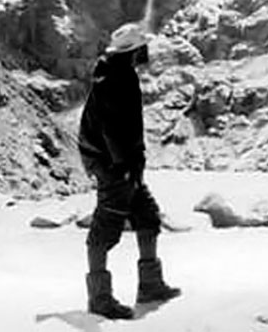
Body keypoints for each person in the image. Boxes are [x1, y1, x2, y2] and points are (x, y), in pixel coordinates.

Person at [78, 23, 181, 320]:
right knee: (105, 225)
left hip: (122, 164)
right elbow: (112, 128)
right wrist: (123, 167)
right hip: (114, 165)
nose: (146, 52)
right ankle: (99, 298)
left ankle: (150, 285)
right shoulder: (115, 77)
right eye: (142, 47)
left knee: (147, 215)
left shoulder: (117, 72)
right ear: (133, 51)